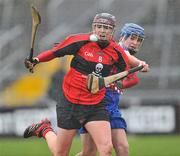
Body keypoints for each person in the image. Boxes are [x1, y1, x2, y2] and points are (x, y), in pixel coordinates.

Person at [24, 13, 149, 156]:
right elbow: (54, 52)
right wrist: (36, 60)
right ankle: (45, 129)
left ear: (113, 31)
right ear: (93, 28)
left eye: (107, 28)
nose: (103, 30)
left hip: (96, 104)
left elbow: (129, 67)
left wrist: (140, 65)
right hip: (71, 103)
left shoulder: (116, 51)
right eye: (99, 27)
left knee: (106, 150)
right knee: (62, 153)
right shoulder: (80, 41)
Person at [75, 23, 146, 156]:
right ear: (123, 37)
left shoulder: (126, 56)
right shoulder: (116, 49)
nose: (135, 43)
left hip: (112, 105)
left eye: (139, 40)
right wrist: (139, 63)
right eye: (133, 38)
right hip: (95, 103)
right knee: (90, 152)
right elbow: (128, 59)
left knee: (121, 148)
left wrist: (118, 84)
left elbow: (134, 79)